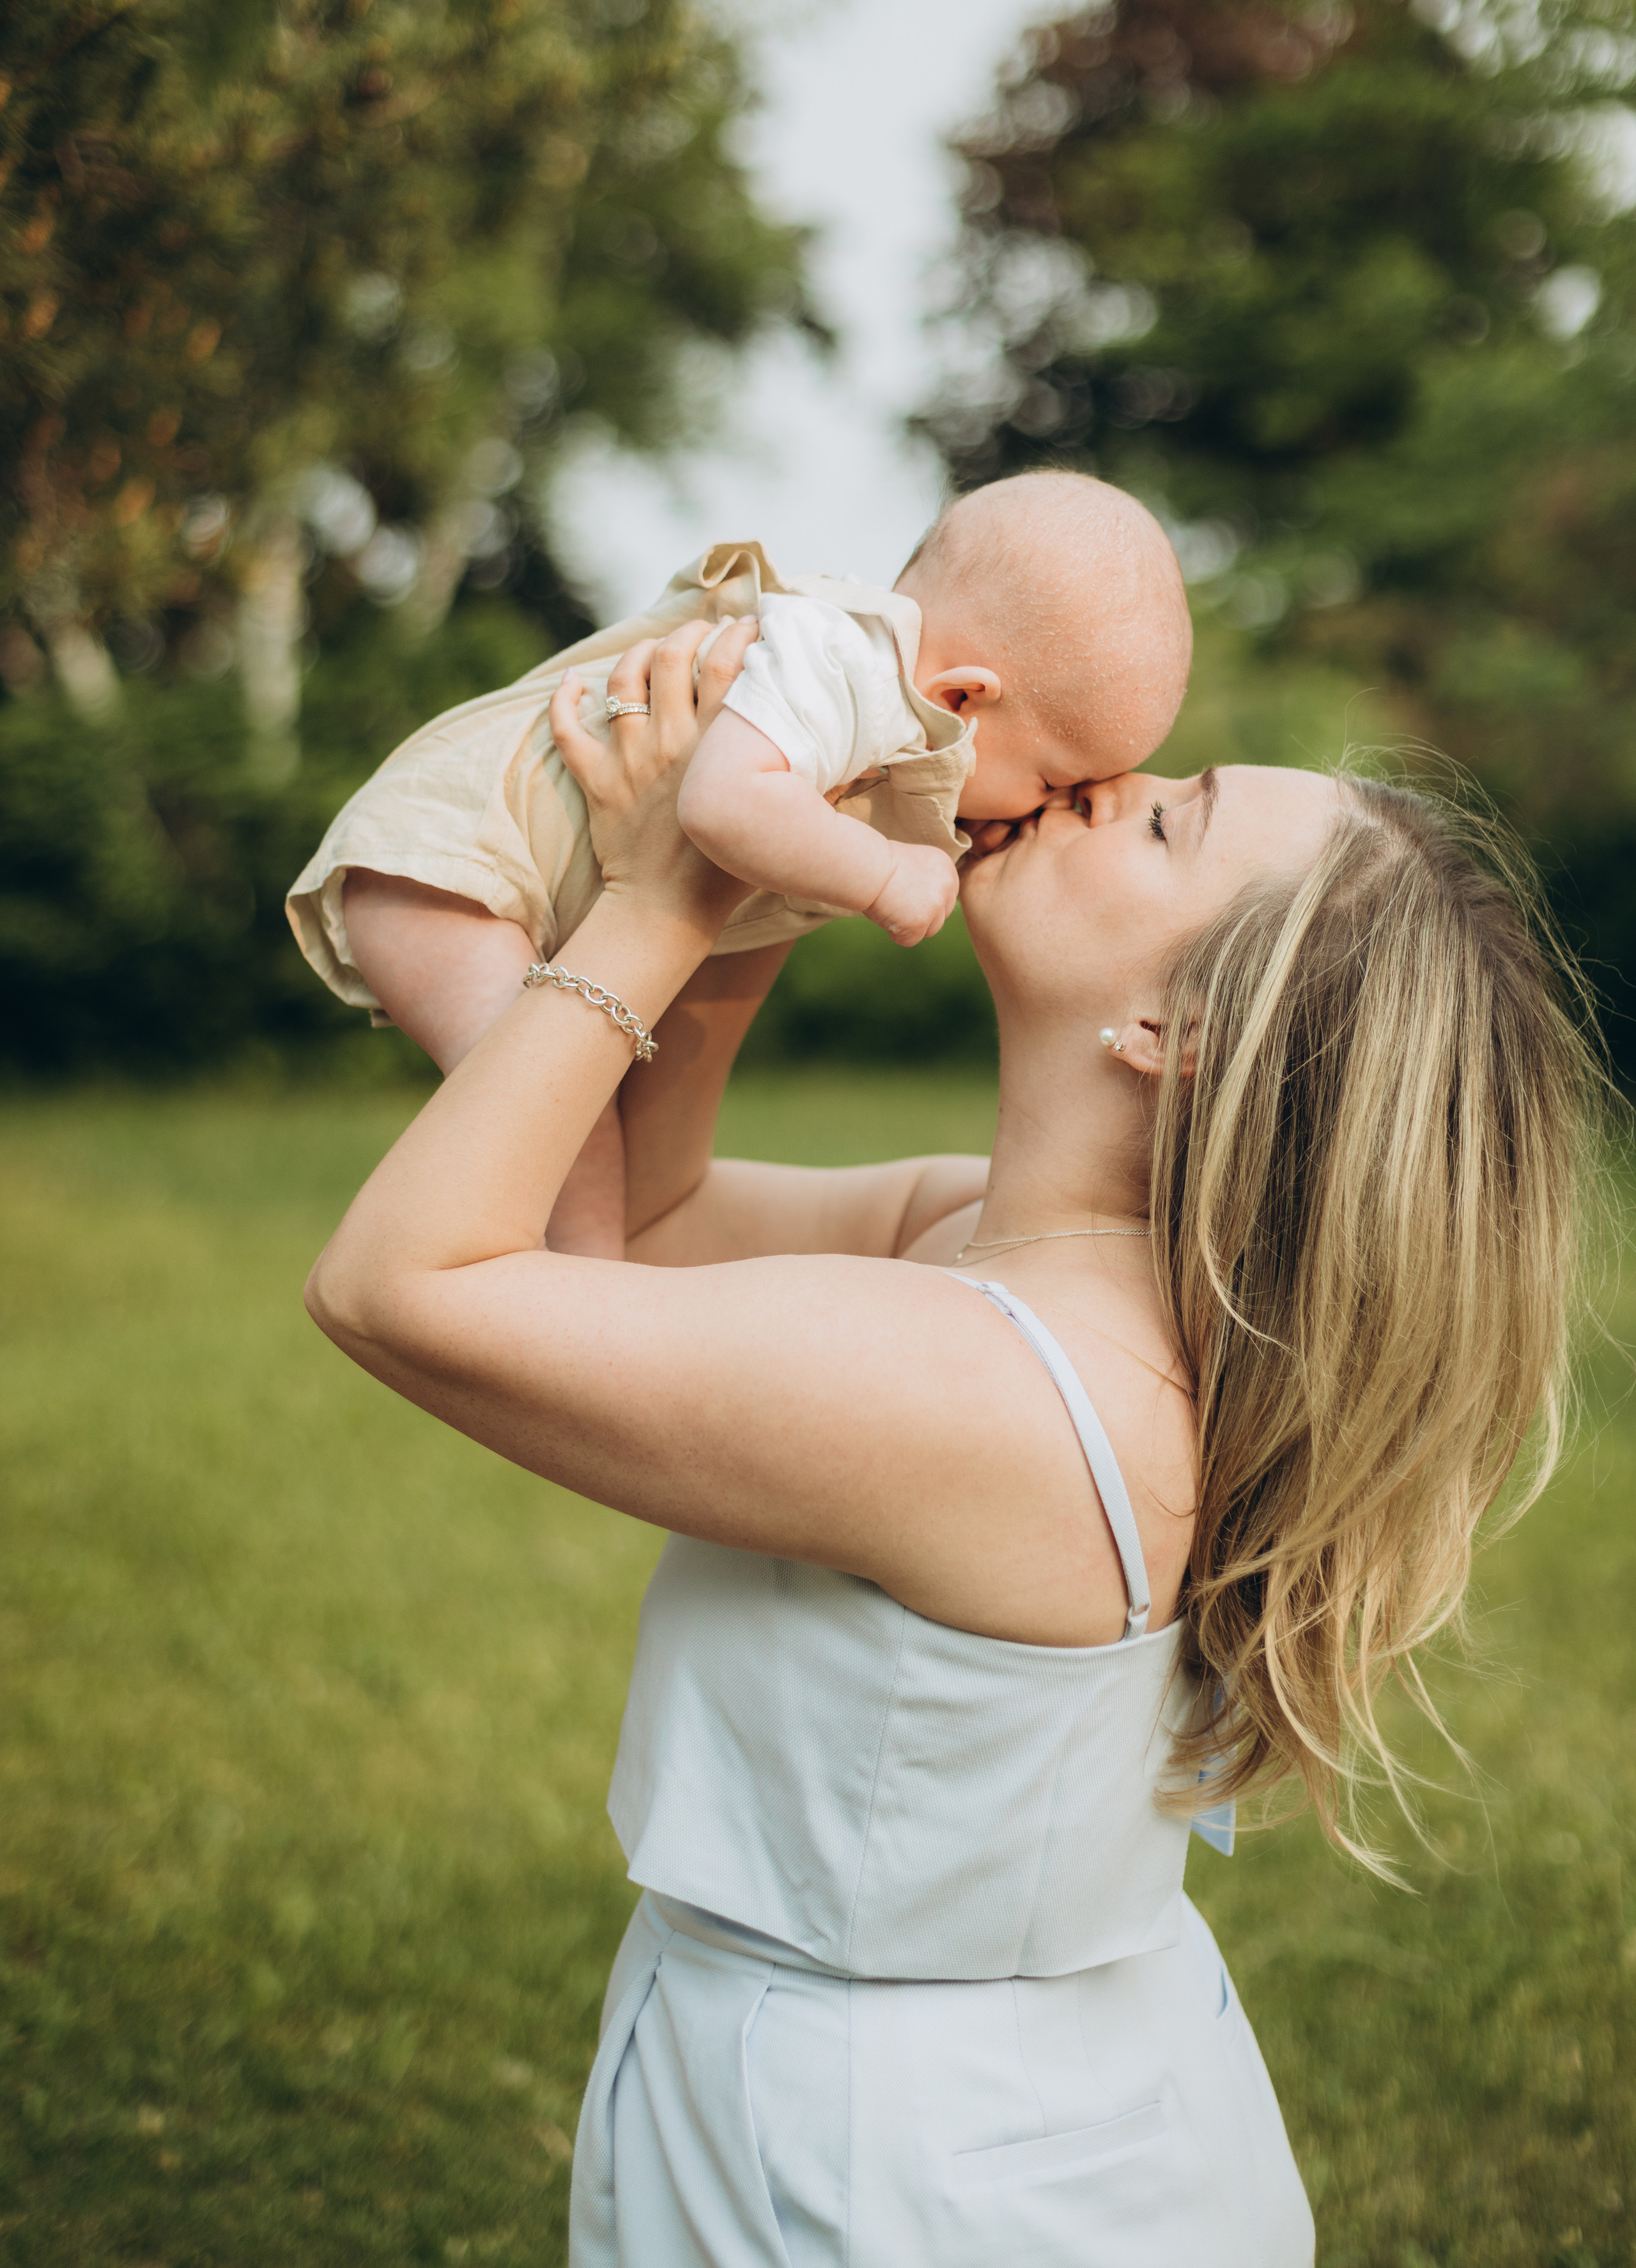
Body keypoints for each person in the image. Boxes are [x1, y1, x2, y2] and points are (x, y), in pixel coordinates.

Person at [304, 615, 1599, 2267]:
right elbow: (657, 1218)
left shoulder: (992, 1399)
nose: (1104, 783)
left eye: (1163, 817)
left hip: (889, 2166)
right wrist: (753, 856)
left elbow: (400, 1282)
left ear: (1176, 1030)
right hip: (963, 2093)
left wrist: (658, 903)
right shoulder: (988, 1249)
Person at [287, 472, 1191, 1255]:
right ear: (963, 698)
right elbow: (722, 805)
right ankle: (581, 1304)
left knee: (579, 1115)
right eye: (1050, 779)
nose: (1041, 807)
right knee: (567, 1117)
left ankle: (571, 1290)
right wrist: (882, 875)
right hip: (449, 860)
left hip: (478, 873)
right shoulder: (839, 668)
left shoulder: (871, 709)